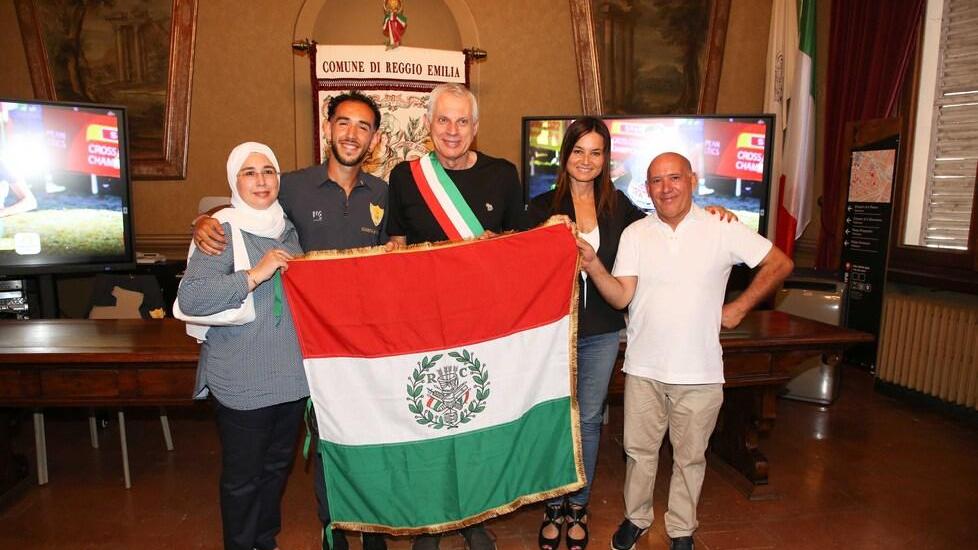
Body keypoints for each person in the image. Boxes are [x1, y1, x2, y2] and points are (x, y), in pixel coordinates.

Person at [192, 91, 389, 550]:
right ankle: (333, 531)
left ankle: (372, 531)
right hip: (309, 349)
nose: (351, 134)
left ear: (374, 138)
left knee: (358, 442)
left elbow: (392, 256)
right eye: (343, 123)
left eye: (363, 126)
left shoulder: (382, 191)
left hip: (356, 347)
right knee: (321, 448)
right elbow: (241, 211)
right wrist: (201, 220)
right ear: (327, 128)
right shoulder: (292, 187)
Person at [528, 120, 736, 550]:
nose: (586, 160)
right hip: (551, 331)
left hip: (602, 331)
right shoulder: (539, 205)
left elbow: (665, 228)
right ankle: (553, 505)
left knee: (587, 421)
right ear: (565, 154)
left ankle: (578, 505)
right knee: (552, 418)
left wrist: (714, 213)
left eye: (596, 152)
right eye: (578, 151)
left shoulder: (619, 206)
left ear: (606, 159)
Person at [578, 152, 792, 550]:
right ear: (647, 188)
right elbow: (622, 296)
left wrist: (741, 307)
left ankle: (681, 530)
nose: (666, 188)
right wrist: (592, 266)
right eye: (656, 181)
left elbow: (779, 263)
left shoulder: (723, 226)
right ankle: (636, 519)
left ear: (693, 179)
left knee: (690, 458)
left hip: (701, 371)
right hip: (644, 368)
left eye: (674, 178)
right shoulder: (636, 234)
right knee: (638, 453)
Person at [387, 83, 528, 550]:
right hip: (424, 325)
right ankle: (433, 516)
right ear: (428, 127)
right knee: (428, 421)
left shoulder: (503, 175)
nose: (452, 131)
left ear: (476, 127)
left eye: (462, 121)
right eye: (443, 121)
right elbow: (396, 248)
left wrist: (500, 250)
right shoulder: (406, 177)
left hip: (483, 325)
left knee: (473, 421)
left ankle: (472, 516)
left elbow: (524, 253)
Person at [177, 142, 307, 550]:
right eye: (249, 173)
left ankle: (264, 541)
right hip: (242, 379)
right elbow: (192, 299)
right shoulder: (220, 229)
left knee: (274, 470)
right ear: (235, 180)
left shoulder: (287, 227)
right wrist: (254, 274)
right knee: (242, 478)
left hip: (291, 378)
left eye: (268, 171)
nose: (261, 180)